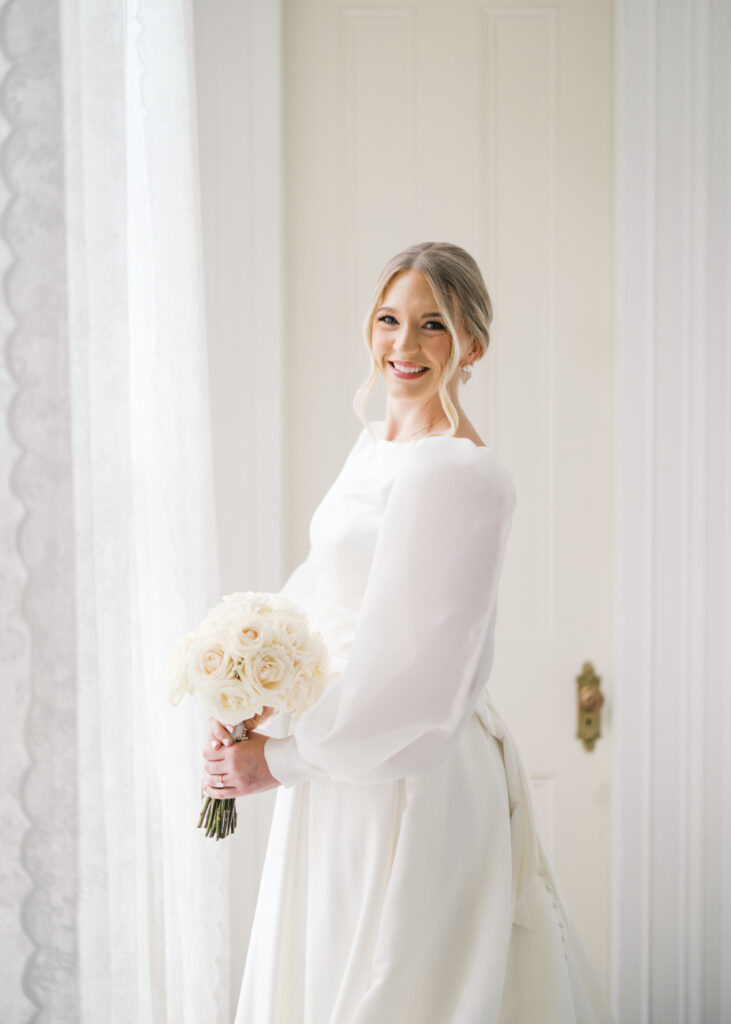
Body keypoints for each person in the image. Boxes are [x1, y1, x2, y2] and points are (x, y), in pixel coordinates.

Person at [202, 242, 615, 1023]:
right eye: (390, 319)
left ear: (472, 346)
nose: (402, 343)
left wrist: (281, 760)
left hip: (400, 775)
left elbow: (417, 679)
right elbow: (322, 589)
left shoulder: (456, 472)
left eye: (432, 326)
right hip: (335, 760)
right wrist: (246, 685)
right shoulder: (376, 451)